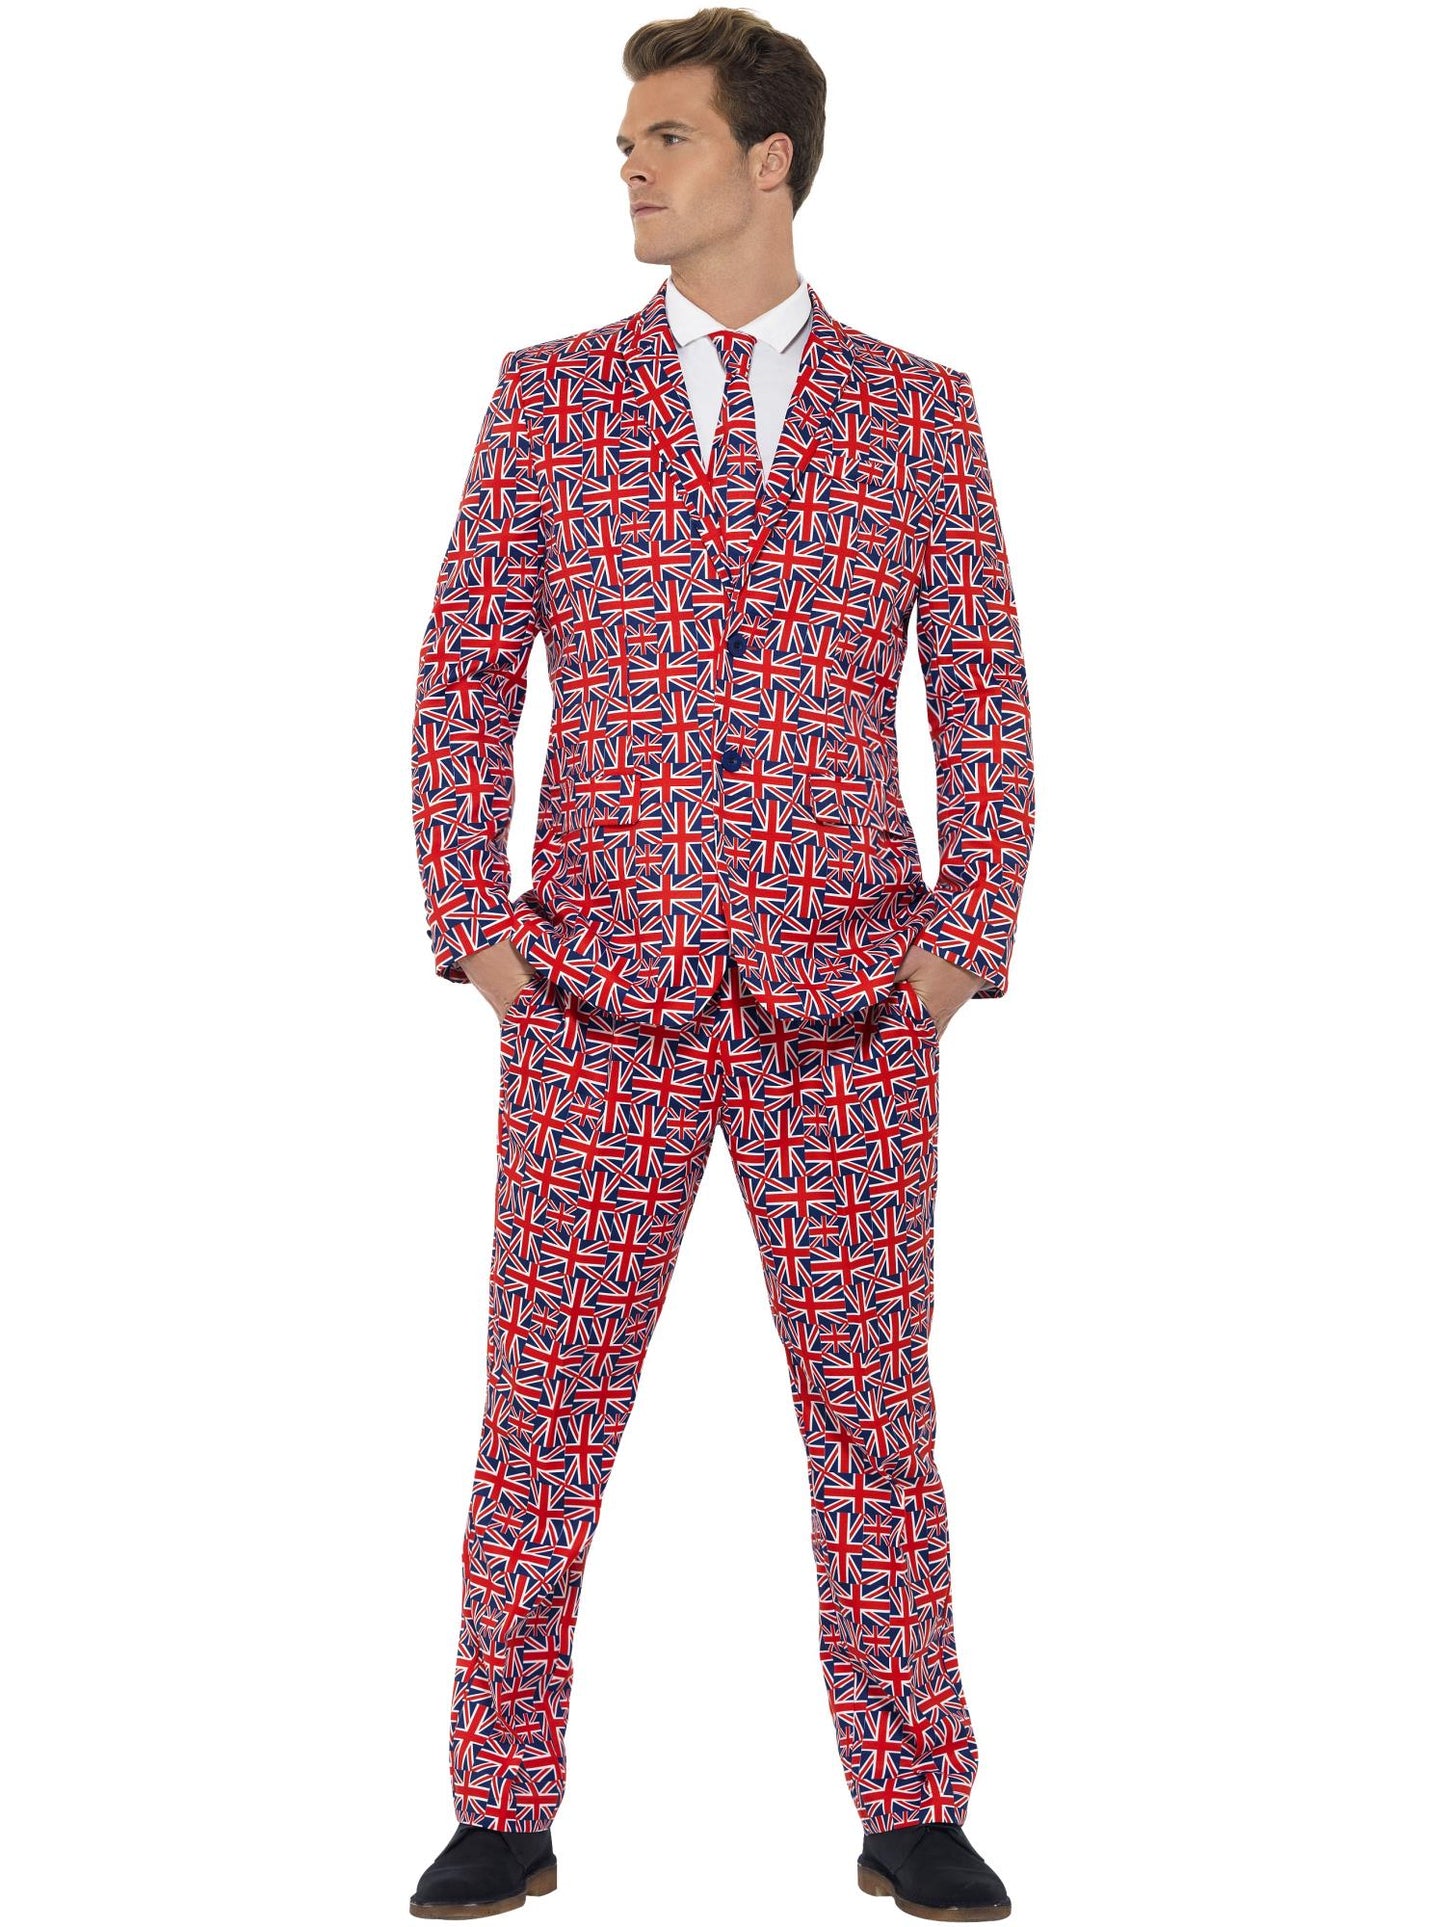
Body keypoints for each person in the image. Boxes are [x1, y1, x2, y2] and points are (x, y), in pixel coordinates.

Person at [407, 9, 1033, 1919]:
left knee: (874, 1426)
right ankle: (500, 1802)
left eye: (664, 135)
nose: (628, 163)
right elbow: (463, 677)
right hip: (593, 1005)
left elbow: (983, 700)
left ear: (768, 161)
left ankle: (911, 1802)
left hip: (850, 1012)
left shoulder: (918, 412)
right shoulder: (546, 399)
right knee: (541, 1419)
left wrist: (958, 949)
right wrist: (481, 932)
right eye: (626, 138)